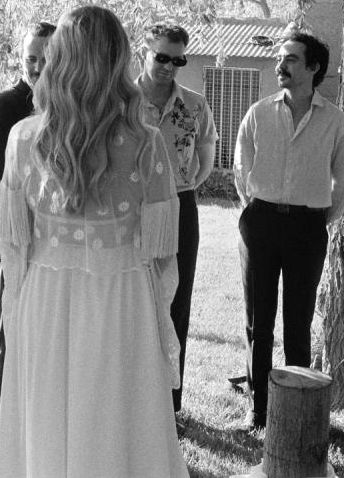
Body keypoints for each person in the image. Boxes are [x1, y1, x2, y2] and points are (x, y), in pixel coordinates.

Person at [0, 5, 188, 478]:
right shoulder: (146, 143)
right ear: (119, 60)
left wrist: (16, 313)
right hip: (121, 297)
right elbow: (162, 256)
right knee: (117, 415)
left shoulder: (24, 138)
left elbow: (14, 248)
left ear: (60, 58)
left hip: (45, 295)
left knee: (50, 413)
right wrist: (162, 328)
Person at [233, 31, 344, 431]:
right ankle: (260, 410)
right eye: (279, 59)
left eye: (290, 59)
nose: (280, 65)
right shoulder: (258, 113)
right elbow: (241, 171)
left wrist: (319, 218)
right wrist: (257, 211)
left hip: (308, 226)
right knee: (259, 319)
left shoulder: (335, 121)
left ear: (313, 67)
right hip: (261, 222)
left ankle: (296, 411)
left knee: (298, 319)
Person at [136, 23, 218, 416]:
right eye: (162, 57)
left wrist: (182, 188)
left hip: (181, 208)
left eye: (178, 59)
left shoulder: (196, 105)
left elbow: (206, 156)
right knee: (132, 298)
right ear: (144, 51)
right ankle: (133, 403)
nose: (170, 66)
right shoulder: (121, 101)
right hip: (131, 211)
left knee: (175, 303)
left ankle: (169, 408)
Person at [0, 21, 55, 412]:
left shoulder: (66, 105)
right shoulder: (5, 105)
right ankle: (6, 404)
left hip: (57, 239)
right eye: (31, 58)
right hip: (17, 229)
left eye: (47, 58)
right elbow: (4, 178)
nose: (38, 67)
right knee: (12, 320)